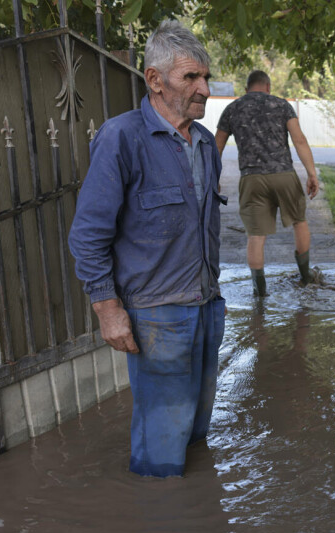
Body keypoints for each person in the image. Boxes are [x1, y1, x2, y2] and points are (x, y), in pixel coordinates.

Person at [68, 20, 226, 478]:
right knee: (161, 444)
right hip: (157, 315)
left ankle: (194, 526)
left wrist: (213, 300)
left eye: (205, 77)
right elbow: (88, 233)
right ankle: (159, 522)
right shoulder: (122, 138)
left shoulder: (203, 144)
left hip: (206, 306)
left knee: (196, 428)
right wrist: (107, 308)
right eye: (190, 78)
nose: (203, 89)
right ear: (155, 80)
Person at [214, 71, 319, 297]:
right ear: (268, 87)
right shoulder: (282, 105)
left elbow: (217, 147)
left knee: (256, 236)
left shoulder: (232, 109)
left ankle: (259, 292)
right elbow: (299, 140)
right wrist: (311, 173)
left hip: (251, 180)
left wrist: (213, 177)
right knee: (299, 222)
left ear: (247, 88)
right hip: (283, 174)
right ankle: (305, 277)